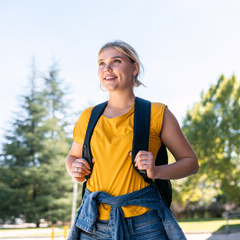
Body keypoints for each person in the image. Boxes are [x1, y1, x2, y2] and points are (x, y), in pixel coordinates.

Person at [66, 40, 199, 240]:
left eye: (116, 61)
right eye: (101, 63)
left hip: (145, 225)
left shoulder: (156, 113)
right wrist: (75, 168)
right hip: (93, 224)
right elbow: (72, 157)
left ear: (134, 68)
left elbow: (191, 163)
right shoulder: (88, 117)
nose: (107, 68)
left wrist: (157, 171)